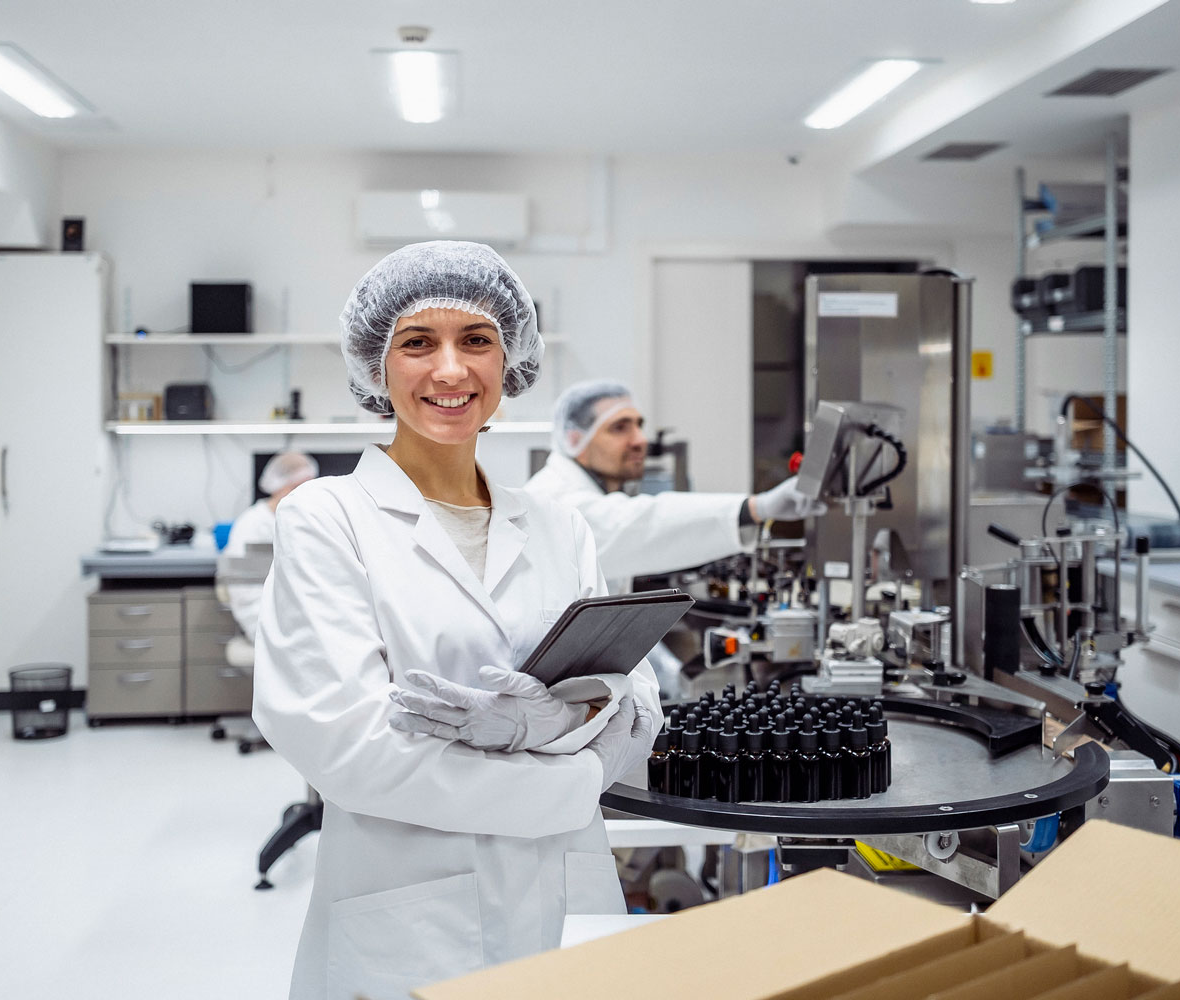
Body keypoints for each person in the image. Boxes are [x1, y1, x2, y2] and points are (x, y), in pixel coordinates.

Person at [251, 241, 659, 1000]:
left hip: (570, 903)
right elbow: (347, 746)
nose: (450, 370)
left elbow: (636, 707)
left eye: (477, 340)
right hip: (408, 915)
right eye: (417, 343)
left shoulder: (558, 527)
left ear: (511, 360)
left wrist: (545, 729)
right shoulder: (327, 517)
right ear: (377, 363)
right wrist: (569, 779)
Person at [525, 379, 826, 593]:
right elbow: (639, 523)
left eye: (638, 425)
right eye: (619, 427)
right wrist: (756, 508)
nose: (640, 440)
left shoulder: (584, 491)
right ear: (575, 439)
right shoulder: (556, 500)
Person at [220, 451, 319, 642]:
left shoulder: (304, 520)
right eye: (298, 486)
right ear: (282, 486)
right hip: (265, 621)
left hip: (297, 614)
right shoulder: (254, 525)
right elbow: (245, 593)